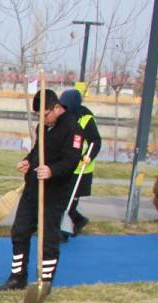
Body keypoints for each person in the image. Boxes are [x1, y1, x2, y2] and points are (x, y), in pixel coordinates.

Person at [0, 88, 81, 294]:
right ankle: (17, 277)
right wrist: (28, 161)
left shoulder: (73, 129)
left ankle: (45, 281)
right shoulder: (43, 127)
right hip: (33, 189)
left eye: (45, 115)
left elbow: (71, 161)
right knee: (20, 231)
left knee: (49, 238)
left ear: (57, 108)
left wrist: (52, 170)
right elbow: (37, 151)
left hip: (54, 192)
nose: (43, 119)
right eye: (39, 116)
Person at [58, 88, 99, 240]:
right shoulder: (63, 117)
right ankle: (79, 220)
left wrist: (88, 156)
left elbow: (96, 141)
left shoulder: (86, 118)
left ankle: (63, 233)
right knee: (61, 199)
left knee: (69, 203)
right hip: (66, 166)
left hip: (81, 168)